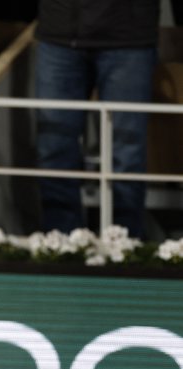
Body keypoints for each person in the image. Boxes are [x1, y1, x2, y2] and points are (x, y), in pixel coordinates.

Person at [35, 0, 160, 239]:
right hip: (59, 35)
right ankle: (60, 242)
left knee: (127, 151)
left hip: (130, 38)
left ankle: (125, 243)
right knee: (54, 145)